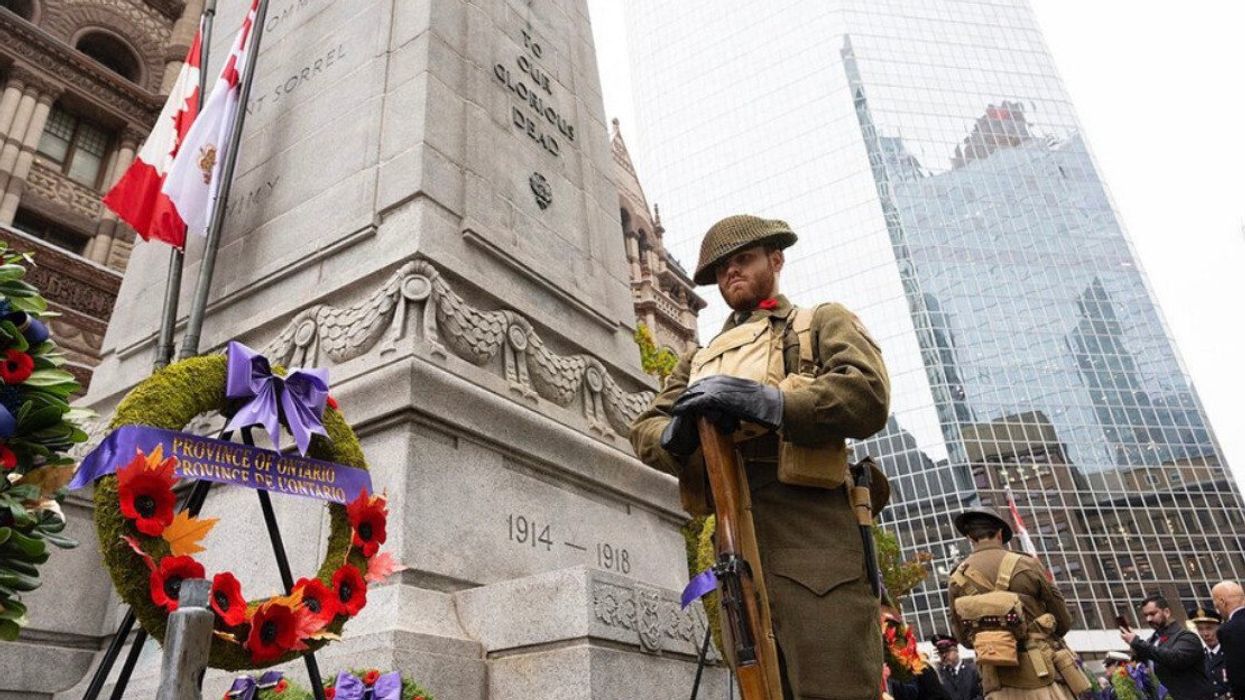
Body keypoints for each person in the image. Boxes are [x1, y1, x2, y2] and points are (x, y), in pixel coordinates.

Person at [629, 214, 891, 699]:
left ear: (776, 259)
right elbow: (643, 428)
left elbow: (868, 393)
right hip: (732, 545)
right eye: (721, 268)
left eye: (743, 259)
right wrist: (677, 434)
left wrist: (771, 403)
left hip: (814, 541)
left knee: (836, 687)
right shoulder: (698, 360)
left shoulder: (818, 322)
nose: (732, 272)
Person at [945, 507, 1078, 700]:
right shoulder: (1026, 564)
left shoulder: (957, 578)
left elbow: (964, 639)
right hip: (1042, 675)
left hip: (997, 683)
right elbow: (1063, 621)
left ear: (970, 538)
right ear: (999, 534)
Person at [1122, 594, 1213, 700]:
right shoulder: (1152, 640)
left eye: (1152, 613)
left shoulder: (1186, 636)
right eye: (1145, 615)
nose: (1148, 619)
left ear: (1166, 612)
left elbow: (1175, 659)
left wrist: (1138, 643)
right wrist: (1136, 650)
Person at [1189, 605, 1231, 700]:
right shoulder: (1199, 657)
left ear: (1219, 628)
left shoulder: (1230, 652)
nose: (1205, 634)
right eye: (1200, 629)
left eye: (1209, 628)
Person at [1212, 581, 1245, 700]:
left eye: (1216, 606)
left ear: (1222, 602)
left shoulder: (1229, 630)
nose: (1217, 611)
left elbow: (1238, 676)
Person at [931, 633, 984, 700]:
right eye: (941, 653)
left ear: (956, 650)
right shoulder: (939, 675)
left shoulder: (973, 670)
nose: (944, 655)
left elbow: (982, 693)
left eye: (947, 651)